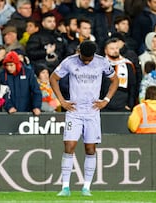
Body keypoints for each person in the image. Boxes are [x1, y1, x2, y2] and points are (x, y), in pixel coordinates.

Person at [50, 40, 118, 196]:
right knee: (69, 145)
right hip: (74, 111)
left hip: (92, 112)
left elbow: (115, 80)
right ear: (79, 52)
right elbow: (54, 78)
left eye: (89, 59)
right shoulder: (69, 61)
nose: (87, 61)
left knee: (90, 148)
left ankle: (86, 187)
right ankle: (65, 187)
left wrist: (105, 100)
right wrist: (62, 101)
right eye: (84, 58)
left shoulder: (102, 62)